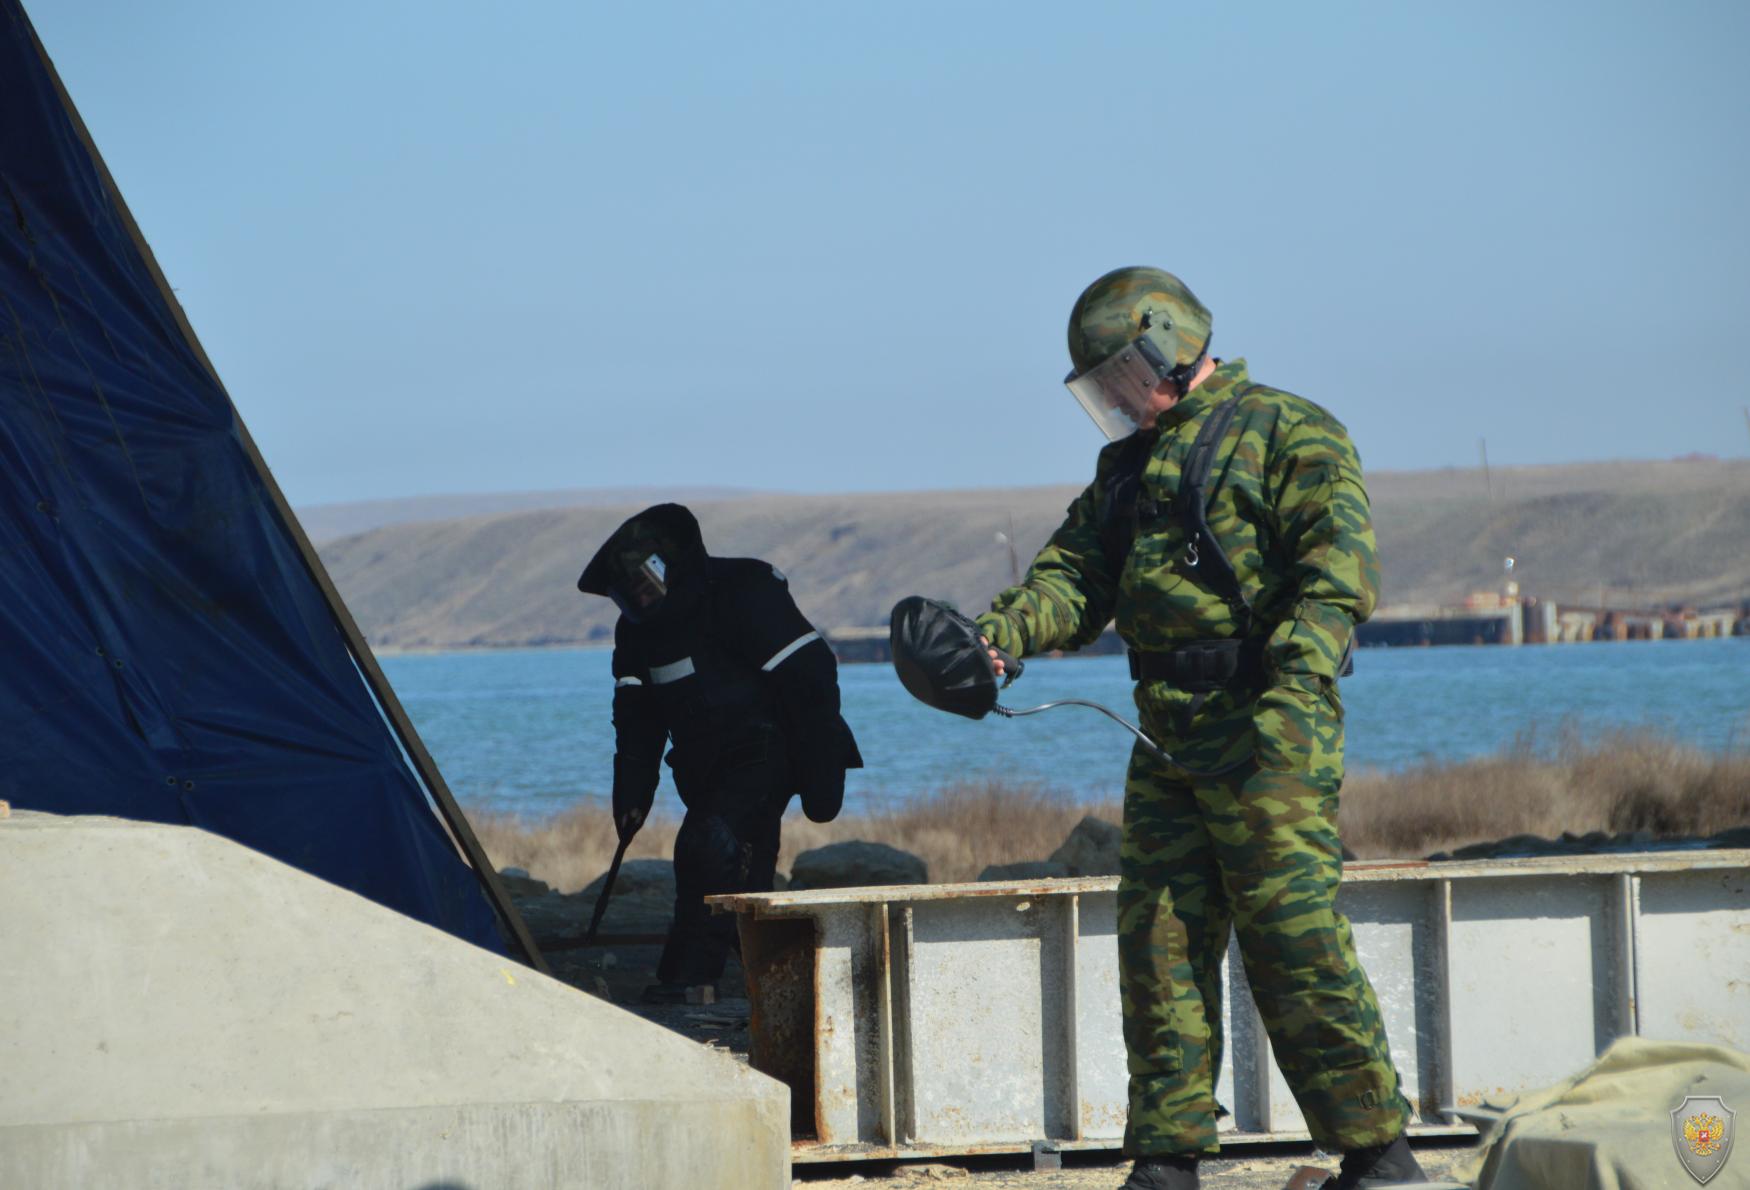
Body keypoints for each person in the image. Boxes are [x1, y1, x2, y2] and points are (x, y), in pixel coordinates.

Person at [973, 268, 1426, 1189]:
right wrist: (995, 640)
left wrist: (1293, 692)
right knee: (1159, 940)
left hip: (1268, 728)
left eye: (1122, 379)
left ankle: (1379, 1155)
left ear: (1171, 343)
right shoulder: (1125, 469)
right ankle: (1168, 1159)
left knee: (1293, 938)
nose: (1117, 402)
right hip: (1166, 737)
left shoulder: (1288, 430)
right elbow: (1070, 580)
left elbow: (1337, 574)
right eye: (1101, 391)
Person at [578, 503, 862, 1002]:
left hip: (772, 746)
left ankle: (691, 977)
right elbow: (636, 719)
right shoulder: (636, 635)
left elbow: (811, 675)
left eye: (648, 578)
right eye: (628, 592)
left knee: (707, 843)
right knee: (743, 866)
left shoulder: (744, 590)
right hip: (703, 765)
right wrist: (632, 790)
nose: (641, 596)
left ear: (673, 565)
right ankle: (769, 967)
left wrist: (822, 774)